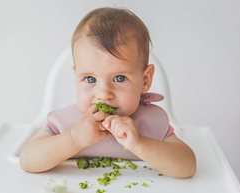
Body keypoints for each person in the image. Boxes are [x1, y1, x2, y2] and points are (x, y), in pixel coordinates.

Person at [20, 7, 196, 178]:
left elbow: (187, 166)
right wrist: (74, 139)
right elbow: (28, 160)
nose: (103, 94)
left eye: (119, 78)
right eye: (90, 79)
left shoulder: (150, 124)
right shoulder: (67, 124)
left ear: (145, 81)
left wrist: (140, 143)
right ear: (76, 78)